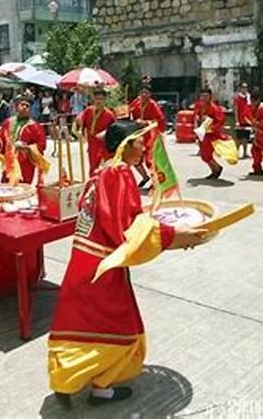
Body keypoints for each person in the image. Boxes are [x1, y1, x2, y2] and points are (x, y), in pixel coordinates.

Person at [47, 120, 208, 410]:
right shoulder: (120, 174)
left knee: (84, 325)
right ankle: (87, 385)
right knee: (122, 332)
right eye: (138, 141)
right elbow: (127, 227)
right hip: (103, 267)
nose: (144, 147)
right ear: (124, 145)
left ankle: (72, 378)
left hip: (83, 262)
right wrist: (174, 235)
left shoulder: (100, 172)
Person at [0, 94, 47, 185]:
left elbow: (41, 144)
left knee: (23, 188)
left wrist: (26, 148)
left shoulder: (35, 126)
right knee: (6, 186)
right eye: (22, 104)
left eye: (27, 106)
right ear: (16, 107)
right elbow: (1, 139)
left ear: (30, 110)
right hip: (9, 161)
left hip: (25, 163)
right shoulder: (8, 122)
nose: (24, 107)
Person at [129, 76, 166, 187]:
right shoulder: (136, 103)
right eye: (142, 93)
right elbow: (129, 112)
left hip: (151, 136)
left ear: (150, 94)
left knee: (151, 160)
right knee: (134, 158)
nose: (143, 95)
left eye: (146, 93)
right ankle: (145, 177)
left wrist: (145, 122)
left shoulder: (153, 105)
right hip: (139, 136)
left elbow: (159, 120)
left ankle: (156, 181)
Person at [197, 87, 236, 179]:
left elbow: (221, 120)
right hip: (204, 133)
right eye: (202, 96)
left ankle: (217, 168)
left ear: (210, 96)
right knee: (204, 155)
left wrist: (212, 128)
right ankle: (215, 169)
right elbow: (199, 116)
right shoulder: (201, 106)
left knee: (206, 155)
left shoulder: (214, 108)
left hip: (212, 135)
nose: (204, 98)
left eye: (206, 96)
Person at [75, 89, 116, 177]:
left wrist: (105, 133)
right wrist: (79, 127)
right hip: (92, 143)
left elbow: (114, 129)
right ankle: (93, 186)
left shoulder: (110, 114)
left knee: (104, 167)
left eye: (101, 99)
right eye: (97, 99)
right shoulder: (89, 110)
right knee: (93, 166)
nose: (98, 101)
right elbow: (80, 118)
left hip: (103, 144)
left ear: (105, 100)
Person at [233, 83, 253, 159]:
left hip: (247, 120)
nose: (245, 89)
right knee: (239, 138)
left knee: (246, 137)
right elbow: (236, 109)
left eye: (246, 87)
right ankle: (235, 152)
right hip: (240, 119)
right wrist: (237, 120)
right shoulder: (237, 97)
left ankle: (245, 152)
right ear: (240, 88)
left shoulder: (248, 97)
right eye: (243, 87)